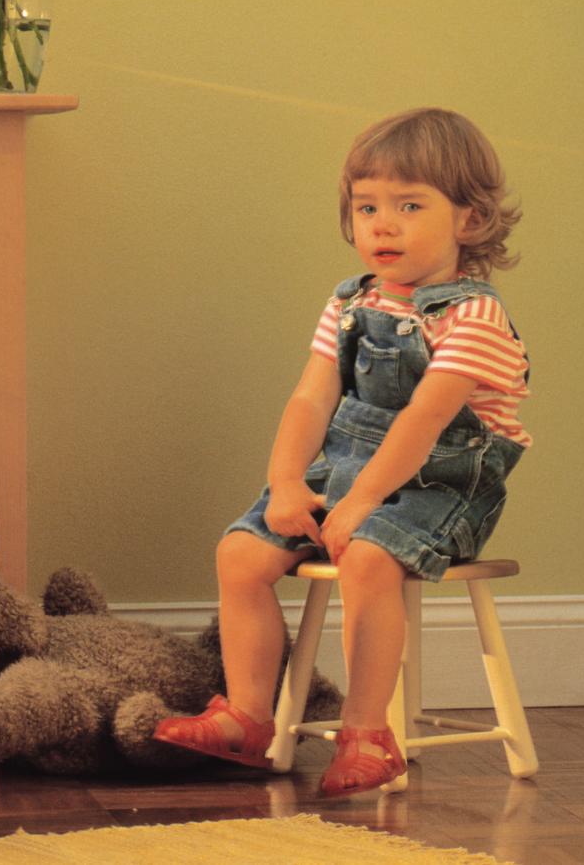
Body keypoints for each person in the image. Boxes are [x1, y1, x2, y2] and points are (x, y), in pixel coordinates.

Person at [152, 108, 530, 797]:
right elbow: (310, 399)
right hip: (345, 471)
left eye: (409, 206)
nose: (382, 225)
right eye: (366, 206)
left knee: (368, 557)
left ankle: (367, 733)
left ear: (468, 220)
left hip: (440, 489)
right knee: (239, 554)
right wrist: (285, 481)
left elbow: (424, 419)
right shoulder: (350, 304)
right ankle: (248, 716)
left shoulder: (473, 316)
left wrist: (362, 503)